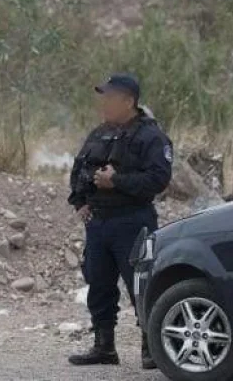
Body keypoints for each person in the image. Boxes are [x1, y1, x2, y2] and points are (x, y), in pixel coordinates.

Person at [67, 73, 173, 369]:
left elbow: (158, 180)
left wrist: (117, 181)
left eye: (110, 98)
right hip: (99, 223)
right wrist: (80, 201)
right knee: (99, 285)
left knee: (142, 285)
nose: (104, 103)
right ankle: (104, 347)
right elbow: (79, 170)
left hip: (133, 221)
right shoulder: (99, 133)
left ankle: (152, 348)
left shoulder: (151, 137)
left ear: (128, 102)